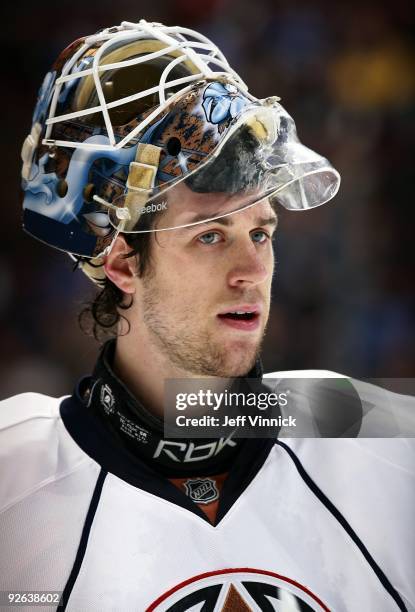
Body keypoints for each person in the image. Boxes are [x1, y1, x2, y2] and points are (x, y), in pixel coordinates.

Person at [1, 19, 414, 612]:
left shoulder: (355, 424)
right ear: (121, 263)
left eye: (262, 233)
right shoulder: (12, 477)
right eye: (211, 236)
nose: (252, 270)